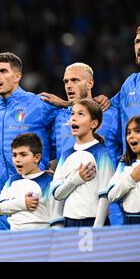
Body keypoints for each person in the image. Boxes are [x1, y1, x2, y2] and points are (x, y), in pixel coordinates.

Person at [0, 52, 59, 230]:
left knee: (31, 251)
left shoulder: (37, 103)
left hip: (32, 192)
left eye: (3, 71)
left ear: (18, 76)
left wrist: (46, 159)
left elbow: (64, 127)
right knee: (3, 253)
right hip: (0, 195)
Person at [43, 63, 123, 225]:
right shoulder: (59, 118)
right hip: (70, 209)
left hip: (110, 206)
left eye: (75, 80)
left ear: (90, 83)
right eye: (66, 82)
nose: (69, 86)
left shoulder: (113, 114)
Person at [51, 99, 114, 227]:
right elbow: (57, 194)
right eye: (72, 114)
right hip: (70, 221)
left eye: (81, 114)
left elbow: (105, 195)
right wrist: (76, 179)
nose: (74, 118)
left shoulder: (101, 153)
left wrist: (98, 227)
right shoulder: (66, 155)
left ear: (94, 123)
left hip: (93, 222)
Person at [0, 133, 63, 230]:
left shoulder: (50, 182)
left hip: (41, 242)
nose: (17, 159)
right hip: (15, 242)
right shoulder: (12, 181)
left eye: (23, 155)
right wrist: (22, 203)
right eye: (14, 155)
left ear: (37, 157)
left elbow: (57, 220)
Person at [107, 115, 140, 225]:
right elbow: (111, 195)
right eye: (128, 132)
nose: (131, 136)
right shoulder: (125, 162)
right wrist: (132, 178)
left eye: (137, 131)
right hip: (128, 222)